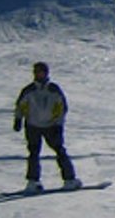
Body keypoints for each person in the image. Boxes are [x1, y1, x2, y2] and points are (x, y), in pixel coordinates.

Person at [13, 61, 78, 192]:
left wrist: (58, 125)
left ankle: (69, 179)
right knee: (33, 153)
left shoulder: (54, 89)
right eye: (36, 72)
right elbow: (20, 105)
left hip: (51, 126)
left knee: (60, 150)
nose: (39, 74)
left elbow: (62, 108)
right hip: (33, 125)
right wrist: (18, 119)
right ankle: (33, 181)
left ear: (46, 73)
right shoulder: (29, 90)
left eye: (41, 72)